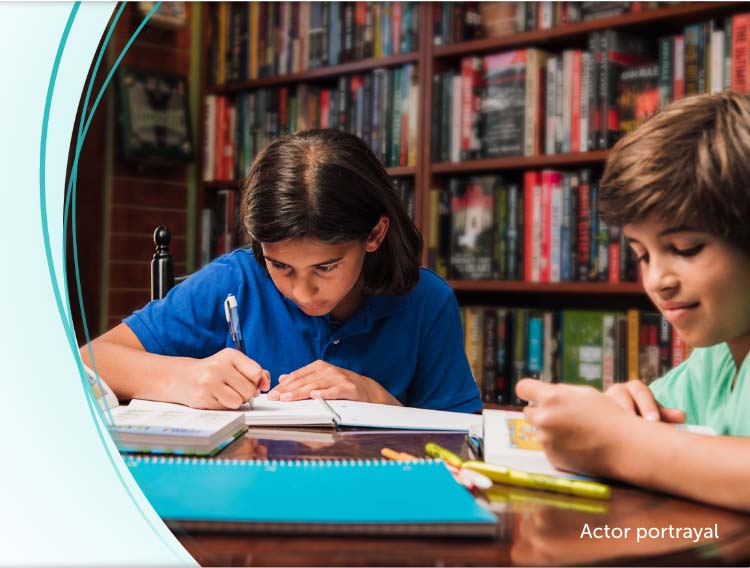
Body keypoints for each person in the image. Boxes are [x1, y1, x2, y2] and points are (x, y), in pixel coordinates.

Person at [81, 129, 481, 414]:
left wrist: (379, 399)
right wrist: (185, 377)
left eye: (326, 266)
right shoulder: (234, 282)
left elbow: (465, 438)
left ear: (374, 234)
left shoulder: (426, 301)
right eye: (281, 266)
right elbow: (91, 358)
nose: (304, 292)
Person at [516, 91, 750, 511]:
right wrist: (625, 413)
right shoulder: (713, 358)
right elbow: (651, 428)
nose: (657, 280)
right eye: (642, 255)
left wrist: (622, 442)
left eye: (686, 247)